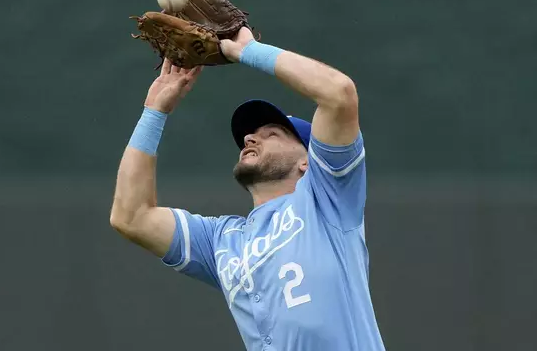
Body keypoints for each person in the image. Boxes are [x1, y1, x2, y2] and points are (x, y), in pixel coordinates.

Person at [110, 26, 386, 351]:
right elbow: (131, 216)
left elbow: (339, 93)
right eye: (250, 136)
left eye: (272, 134)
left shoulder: (328, 199)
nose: (251, 138)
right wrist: (154, 112)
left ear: (308, 162)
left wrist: (248, 51)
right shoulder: (221, 241)